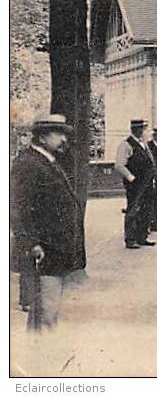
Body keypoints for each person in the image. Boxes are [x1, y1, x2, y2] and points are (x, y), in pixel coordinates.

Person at [11, 114, 79, 330]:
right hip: (43, 251)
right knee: (46, 311)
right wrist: (32, 244)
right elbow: (17, 209)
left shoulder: (46, 161)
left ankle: (39, 353)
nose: (64, 139)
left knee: (46, 310)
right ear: (41, 136)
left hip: (54, 250)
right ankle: (42, 356)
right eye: (58, 133)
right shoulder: (28, 164)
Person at [115, 119, 157, 248]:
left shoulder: (143, 144)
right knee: (133, 210)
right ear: (134, 129)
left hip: (147, 183)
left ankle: (142, 237)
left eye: (143, 129)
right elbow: (119, 165)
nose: (142, 131)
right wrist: (131, 178)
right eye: (141, 129)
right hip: (135, 184)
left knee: (146, 209)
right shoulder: (126, 144)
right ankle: (130, 239)